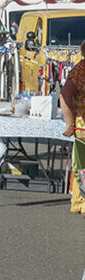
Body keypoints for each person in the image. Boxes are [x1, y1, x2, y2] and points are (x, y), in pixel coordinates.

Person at [60, 40, 85, 215]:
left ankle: (78, 202)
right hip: (83, 126)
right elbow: (65, 94)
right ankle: (81, 202)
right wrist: (70, 122)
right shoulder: (81, 70)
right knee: (82, 165)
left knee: (81, 165)